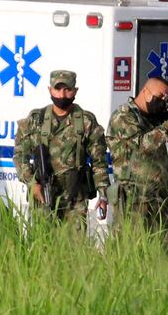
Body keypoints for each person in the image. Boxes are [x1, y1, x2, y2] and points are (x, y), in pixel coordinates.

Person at [12, 70, 108, 226]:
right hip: (42, 196)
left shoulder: (86, 121)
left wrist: (103, 195)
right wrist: (32, 183)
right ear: (49, 90)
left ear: (75, 91)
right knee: (42, 239)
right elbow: (20, 155)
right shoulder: (36, 120)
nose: (62, 95)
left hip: (75, 199)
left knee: (74, 241)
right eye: (57, 89)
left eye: (67, 89)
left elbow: (99, 161)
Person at [107, 76, 168, 230]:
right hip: (134, 199)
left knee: (162, 243)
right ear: (145, 91)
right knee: (133, 242)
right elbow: (141, 146)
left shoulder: (154, 118)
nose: (161, 102)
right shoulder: (124, 116)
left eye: (165, 99)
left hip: (159, 198)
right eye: (159, 97)